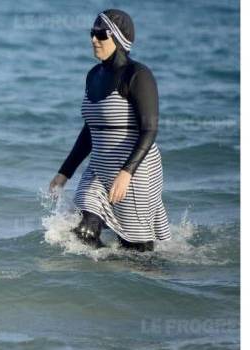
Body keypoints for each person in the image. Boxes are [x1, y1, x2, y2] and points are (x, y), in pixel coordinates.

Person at [49, 9, 171, 252]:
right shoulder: (93, 75)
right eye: (92, 33)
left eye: (101, 34)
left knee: (137, 252)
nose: (94, 39)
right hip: (99, 168)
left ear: (118, 37)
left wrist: (127, 172)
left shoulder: (138, 75)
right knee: (84, 231)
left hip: (136, 170)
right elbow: (89, 131)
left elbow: (150, 129)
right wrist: (65, 173)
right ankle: (95, 283)